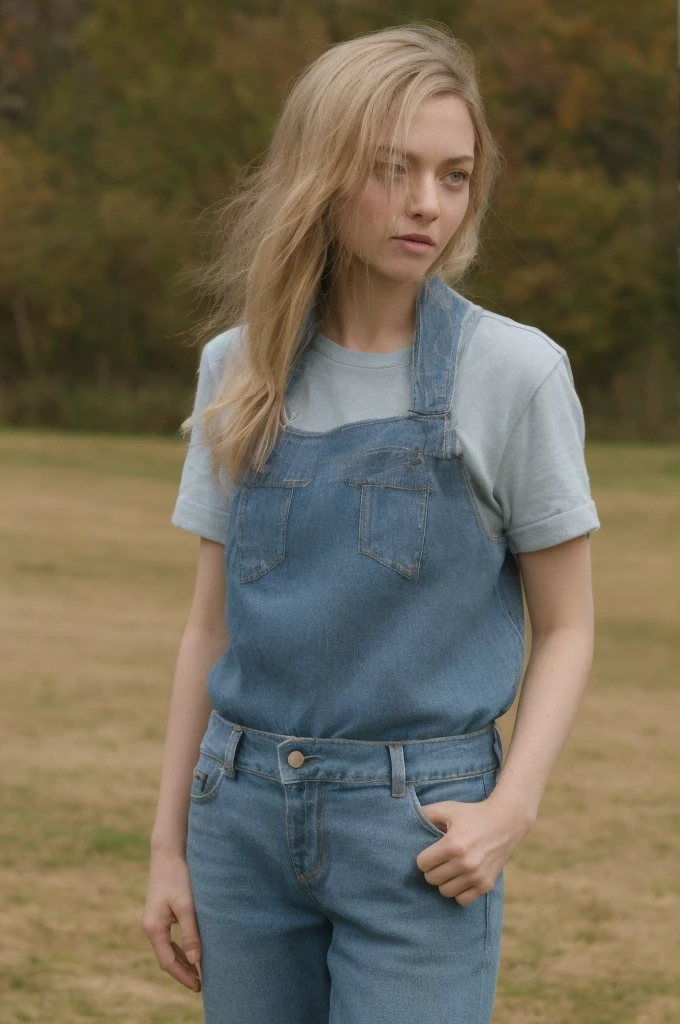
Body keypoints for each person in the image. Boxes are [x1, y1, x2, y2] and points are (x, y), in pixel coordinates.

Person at [141, 22, 600, 1024]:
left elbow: (566, 625)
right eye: (393, 170)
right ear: (321, 174)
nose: (426, 203)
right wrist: (169, 846)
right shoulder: (239, 369)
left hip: (419, 834)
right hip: (241, 821)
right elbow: (207, 627)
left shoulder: (513, 373)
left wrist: (507, 811)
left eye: (452, 173)